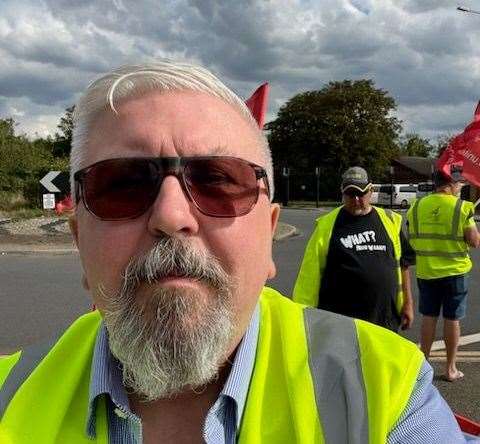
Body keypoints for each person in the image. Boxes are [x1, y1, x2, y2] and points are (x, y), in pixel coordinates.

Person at [0, 61, 472, 443]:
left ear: (269, 233)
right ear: (80, 238)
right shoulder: (7, 397)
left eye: (218, 180)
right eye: (121, 185)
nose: (171, 215)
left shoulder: (386, 389)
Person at [293, 166, 415, 332]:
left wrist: (408, 303)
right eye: (350, 194)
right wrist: (303, 316)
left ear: (371, 191)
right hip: (341, 323)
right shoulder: (327, 225)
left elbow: (403, 264)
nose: (356, 199)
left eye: (361, 193)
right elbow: (309, 275)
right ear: (342, 192)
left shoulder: (390, 220)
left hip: (385, 317)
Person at [407, 169, 480, 382]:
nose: (460, 188)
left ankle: (424, 365)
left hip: (427, 270)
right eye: (458, 184)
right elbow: (474, 241)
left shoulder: (417, 206)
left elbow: (412, 235)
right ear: (451, 184)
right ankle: (450, 369)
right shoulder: (462, 207)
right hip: (455, 271)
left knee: (428, 316)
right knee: (452, 318)